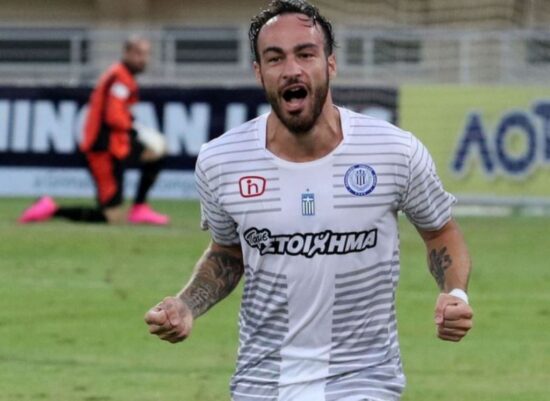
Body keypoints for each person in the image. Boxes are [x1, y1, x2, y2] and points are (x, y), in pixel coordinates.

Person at [144, 1, 474, 400]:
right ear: (259, 72)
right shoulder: (221, 161)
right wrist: (186, 305)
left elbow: (441, 232)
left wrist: (455, 294)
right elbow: (229, 251)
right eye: (275, 58)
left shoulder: (394, 151)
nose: (291, 69)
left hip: (364, 382)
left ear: (330, 64)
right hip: (261, 384)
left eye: (305, 54)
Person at [19, 36, 170, 225]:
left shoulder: (122, 76)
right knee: (112, 217)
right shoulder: (120, 78)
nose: (143, 59)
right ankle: (51, 209)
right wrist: (136, 131)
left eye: (146, 54)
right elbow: (113, 116)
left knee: (157, 152)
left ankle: (139, 207)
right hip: (103, 150)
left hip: (117, 146)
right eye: (138, 54)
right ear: (126, 53)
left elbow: (117, 112)